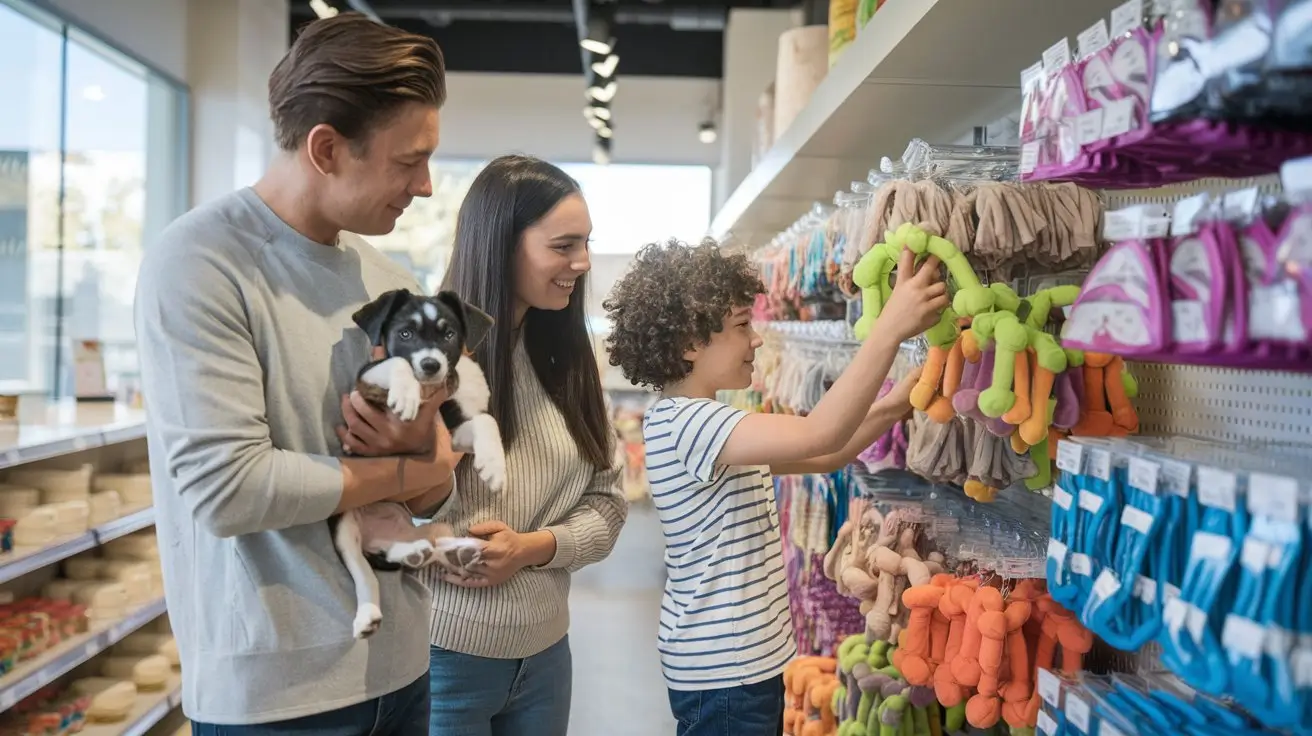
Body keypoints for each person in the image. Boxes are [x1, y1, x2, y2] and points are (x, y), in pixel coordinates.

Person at [134, 13, 453, 734]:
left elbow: (443, 482)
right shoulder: (200, 263)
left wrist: (432, 461)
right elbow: (230, 489)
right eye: (409, 161)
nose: (426, 186)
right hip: (279, 700)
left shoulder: (387, 279)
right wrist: (410, 471)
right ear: (326, 148)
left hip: (403, 665)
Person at [601, 239, 946, 735]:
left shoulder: (702, 423)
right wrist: (888, 328)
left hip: (738, 666)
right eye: (743, 325)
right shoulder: (692, 424)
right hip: (725, 673)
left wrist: (894, 407)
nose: (757, 339)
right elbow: (818, 432)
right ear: (689, 345)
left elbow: (826, 453)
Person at [424, 154, 629, 735]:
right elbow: (383, 505)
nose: (582, 263)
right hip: (443, 656)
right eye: (563, 246)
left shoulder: (568, 362)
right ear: (501, 245)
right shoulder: (432, 358)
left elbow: (608, 504)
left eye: (586, 243)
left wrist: (531, 546)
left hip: (546, 656)